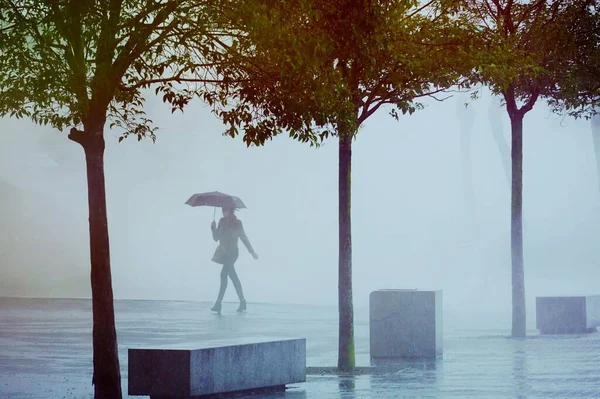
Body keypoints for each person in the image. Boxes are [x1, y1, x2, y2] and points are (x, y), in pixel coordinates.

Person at [210, 206, 258, 313]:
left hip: (232, 253)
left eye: (225, 210)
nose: (223, 212)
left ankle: (218, 303)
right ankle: (242, 301)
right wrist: (213, 229)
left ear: (231, 210)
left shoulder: (237, 223)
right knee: (232, 276)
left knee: (223, 275)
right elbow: (216, 238)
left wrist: (252, 252)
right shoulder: (221, 221)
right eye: (222, 210)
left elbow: (243, 237)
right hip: (223, 252)